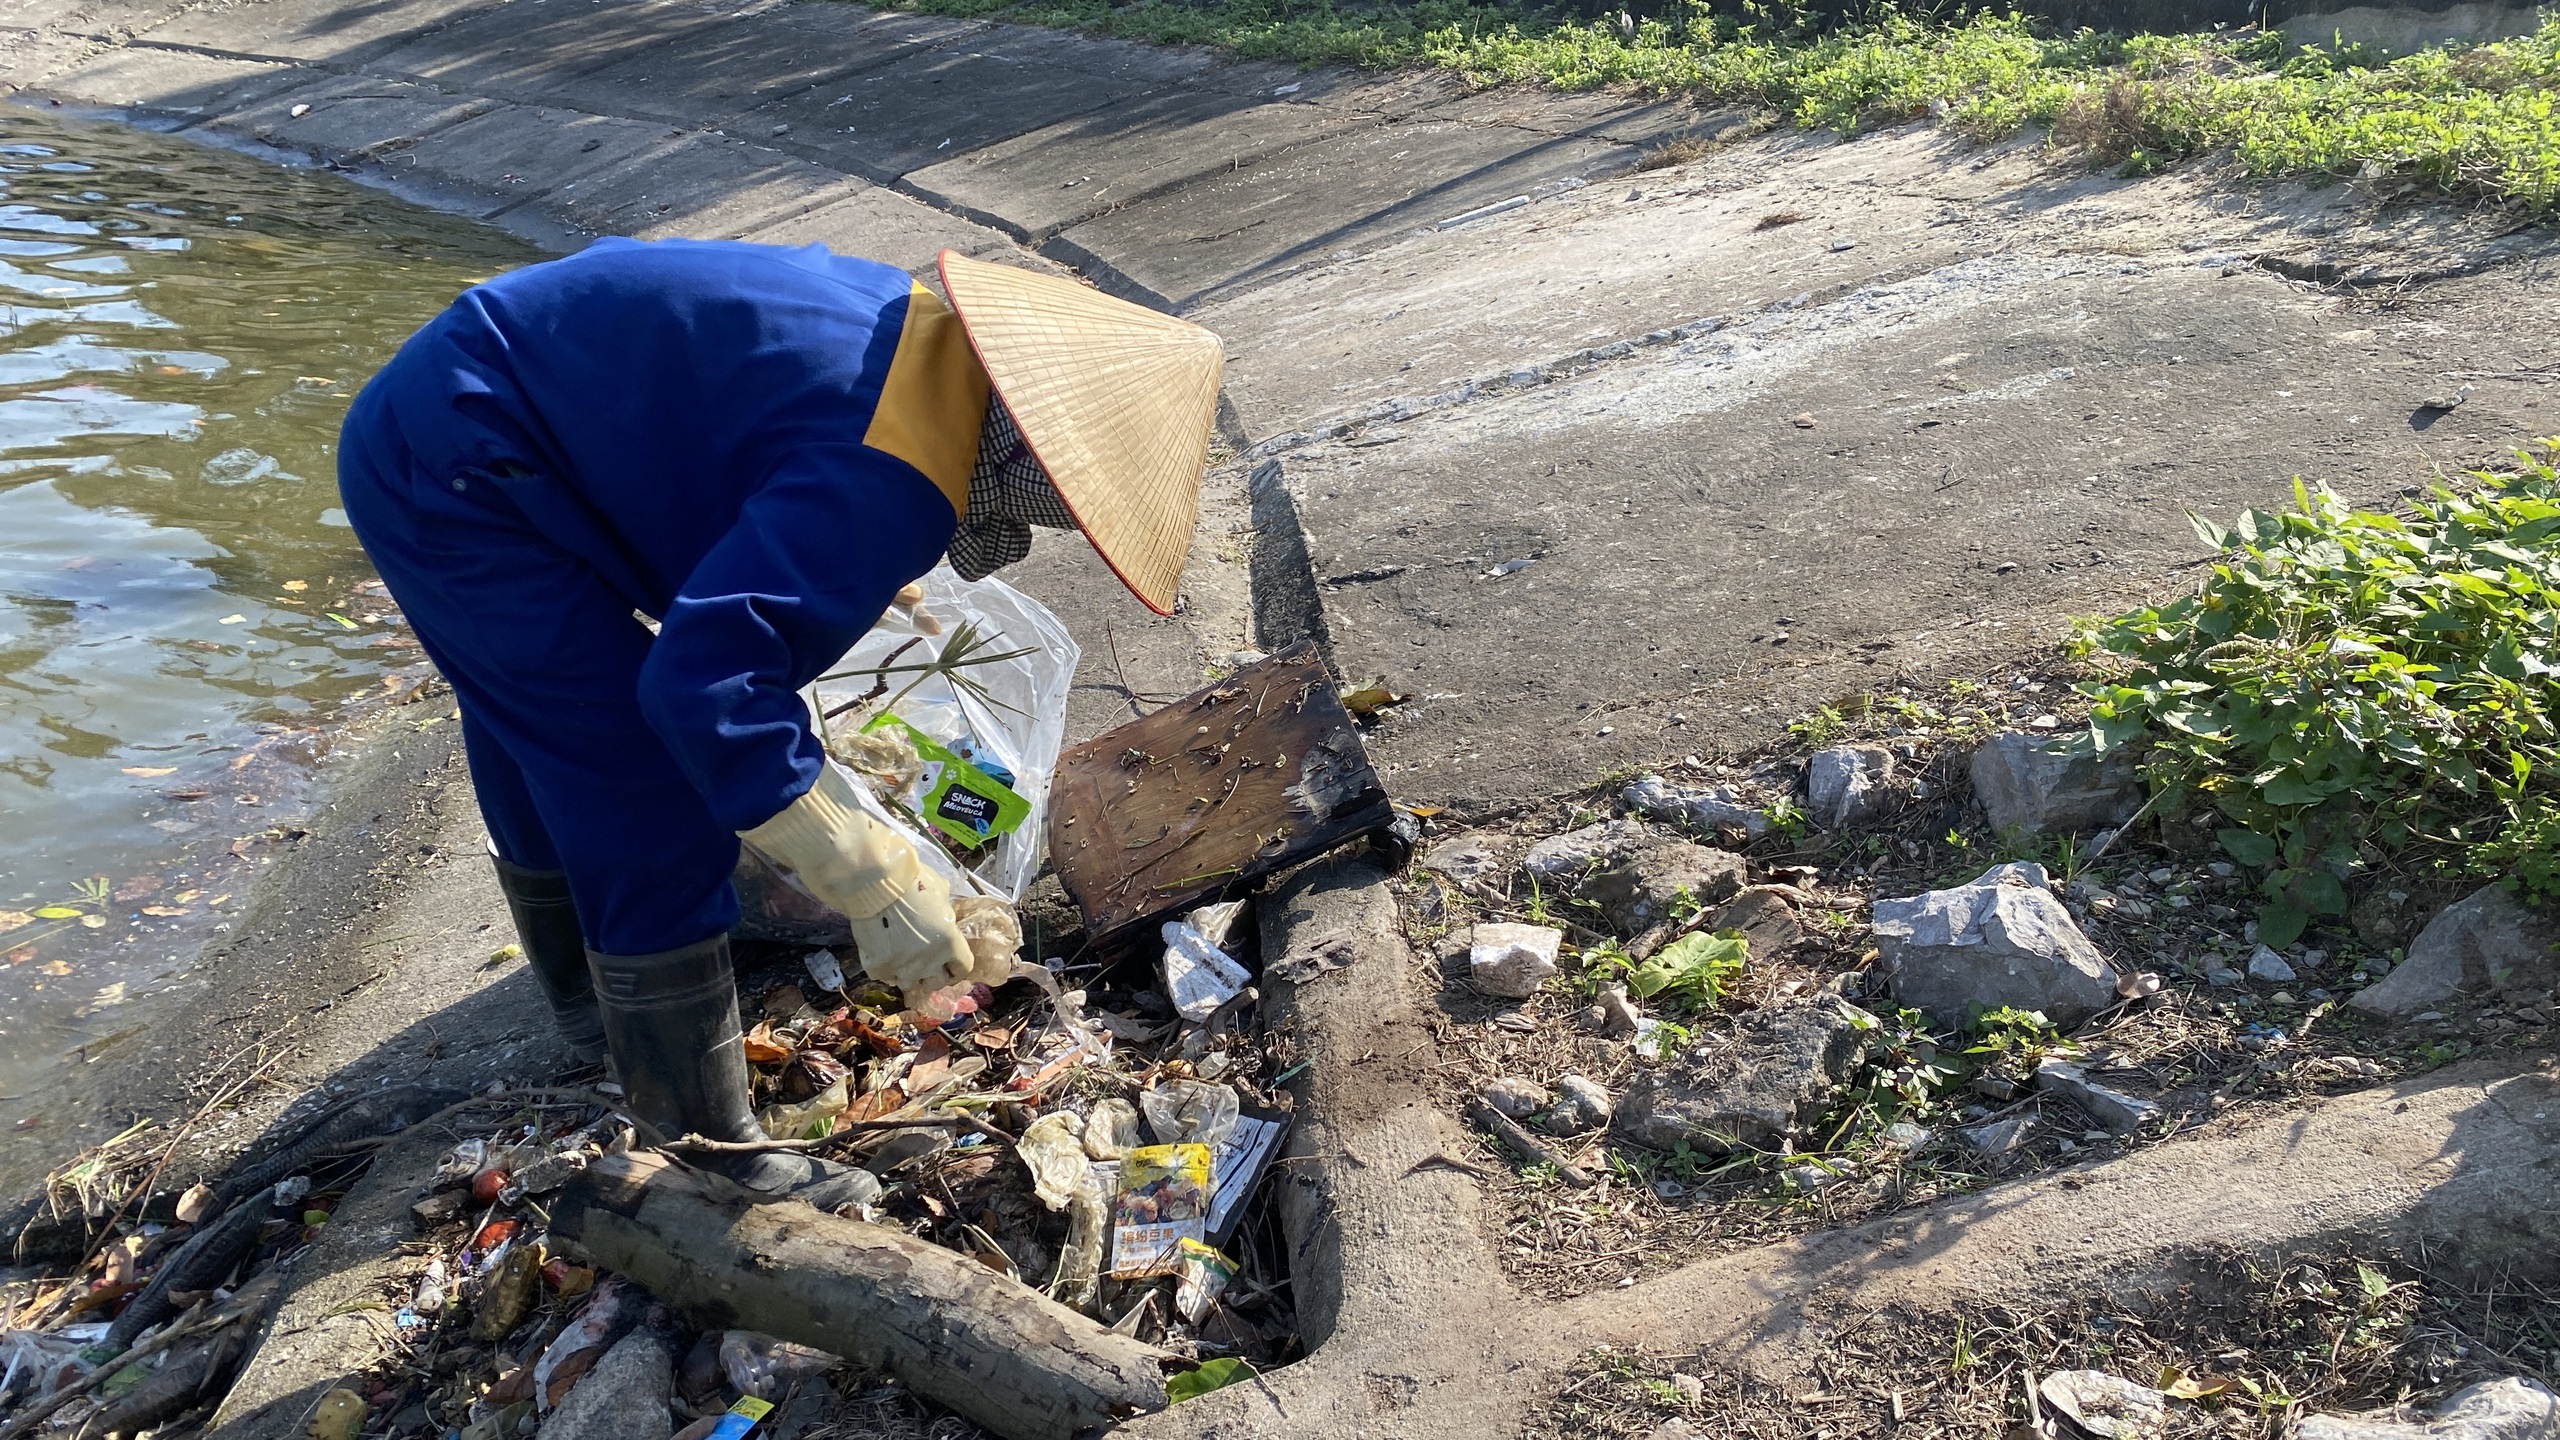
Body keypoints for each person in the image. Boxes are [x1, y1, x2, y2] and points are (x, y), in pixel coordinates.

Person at [338, 241, 1222, 1208]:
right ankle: (704, 1154)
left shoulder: (909, 328)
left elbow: (762, 444)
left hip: (466, 403)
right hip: (462, 467)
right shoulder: (891, 473)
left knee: (539, 717)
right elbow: (701, 687)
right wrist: (867, 870)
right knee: (627, 769)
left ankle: (594, 1010)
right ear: (1039, 455)